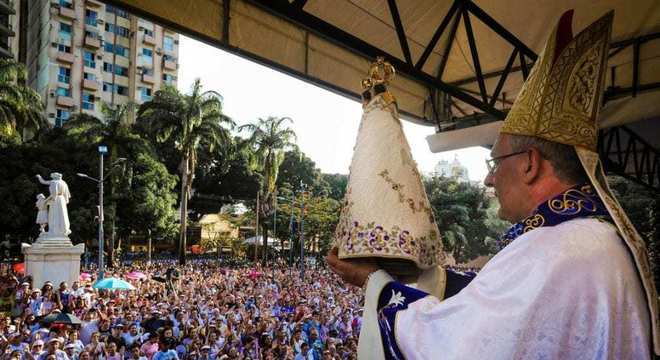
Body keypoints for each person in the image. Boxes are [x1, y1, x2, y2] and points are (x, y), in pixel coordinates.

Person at [327, 10, 659, 359]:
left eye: (495, 163)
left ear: (530, 164)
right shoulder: (588, 239)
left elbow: (451, 347)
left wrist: (373, 282)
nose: (489, 178)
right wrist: (426, 274)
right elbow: (499, 307)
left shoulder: (558, 251)